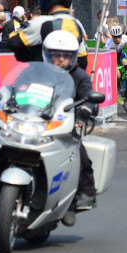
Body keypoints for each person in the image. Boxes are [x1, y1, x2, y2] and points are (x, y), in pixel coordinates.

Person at [41, 30, 97, 213]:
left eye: (66, 55)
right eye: (56, 55)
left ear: (73, 57)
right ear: (47, 54)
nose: (61, 59)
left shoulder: (79, 76)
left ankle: (86, 193)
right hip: (35, 122)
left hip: (64, 125)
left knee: (80, 156)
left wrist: (87, 107)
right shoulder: (39, 72)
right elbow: (19, 88)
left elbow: (89, 96)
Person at [8, 0, 89, 70]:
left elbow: (13, 43)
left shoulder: (42, 22)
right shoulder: (76, 24)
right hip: (68, 81)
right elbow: (83, 61)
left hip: (43, 78)